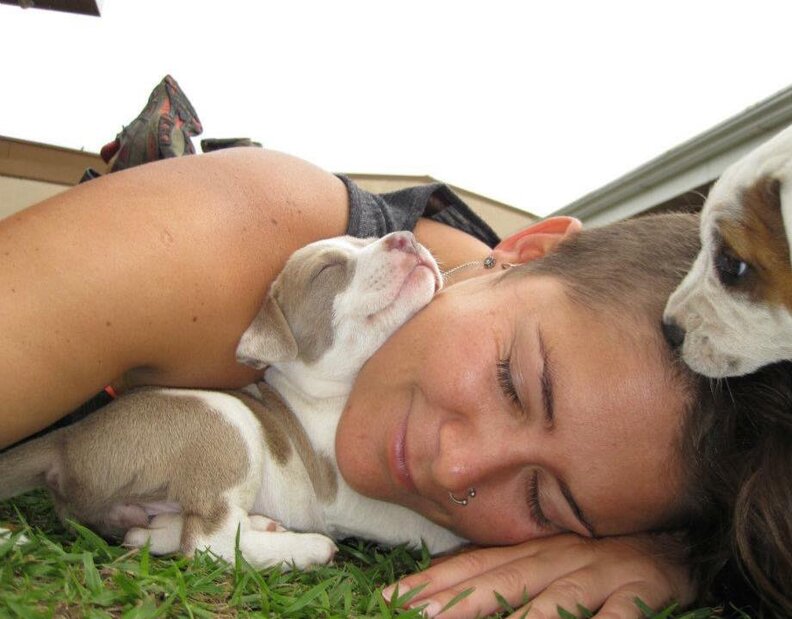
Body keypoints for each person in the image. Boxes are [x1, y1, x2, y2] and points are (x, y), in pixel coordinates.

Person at [0, 147, 784, 617]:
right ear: (527, 249)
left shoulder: (627, 461)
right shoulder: (242, 240)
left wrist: (688, 553)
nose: (455, 465)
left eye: (545, 501)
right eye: (513, 381)